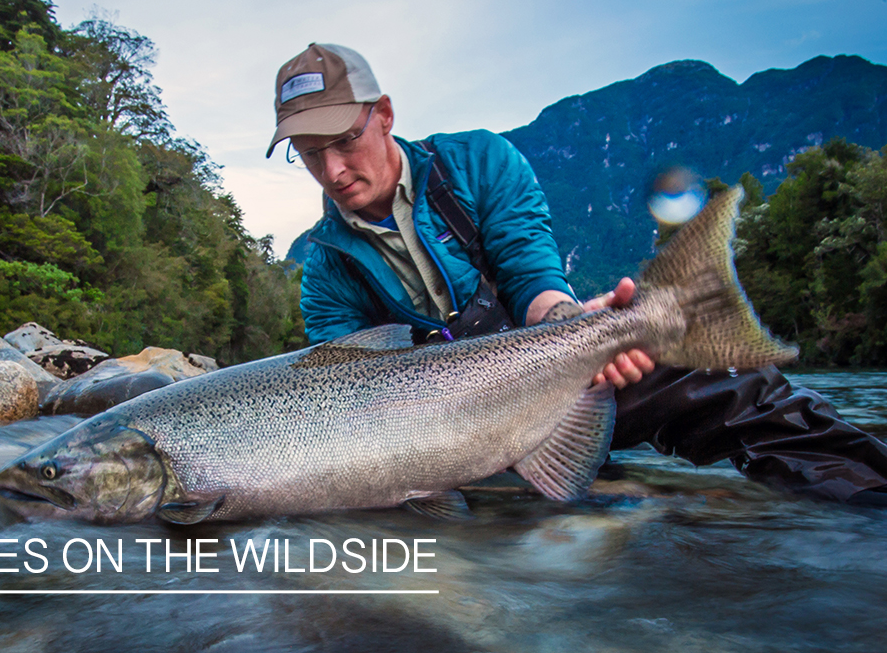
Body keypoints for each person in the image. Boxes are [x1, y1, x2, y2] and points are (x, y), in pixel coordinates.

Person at [266, 42, 887, 506]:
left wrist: (577, 330)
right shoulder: (323, 269)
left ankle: (866, 499)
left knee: (724, 384)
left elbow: (531, 271)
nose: (333, 169)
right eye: (309, 153)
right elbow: (346, 401)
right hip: (447, 435)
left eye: (344, 140)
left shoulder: (478, 163)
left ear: (385, 114)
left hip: (559, 375)